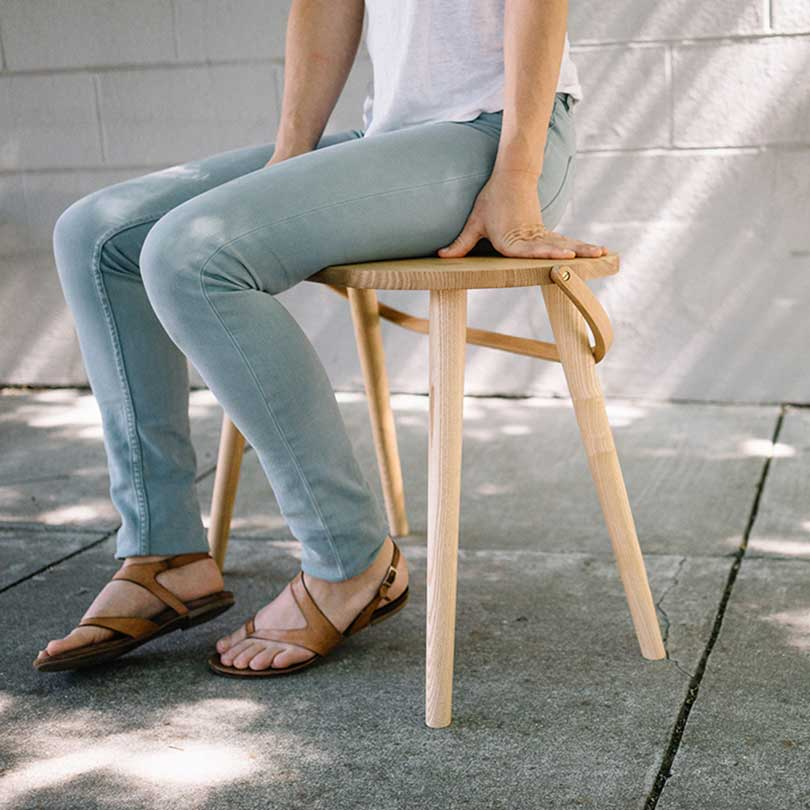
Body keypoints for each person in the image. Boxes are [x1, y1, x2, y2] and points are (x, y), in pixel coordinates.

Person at [35, 0, 606, 677]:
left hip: (497, 138)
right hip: (390, 139)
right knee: (95, 236)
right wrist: (290, 157)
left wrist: (516, 171)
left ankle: (349, 560)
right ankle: (164, 553)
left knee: (190, 257)